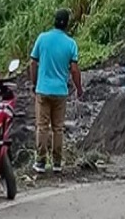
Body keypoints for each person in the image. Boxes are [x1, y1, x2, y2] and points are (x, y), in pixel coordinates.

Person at [30, 9, 83, 174]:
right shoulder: (71, 43)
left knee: (42, 127)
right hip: (60, 91)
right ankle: (57, 163)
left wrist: (34, 83)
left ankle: (40, 162)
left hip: (43, 90)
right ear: (67, 24)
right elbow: (74, 70)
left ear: (54, 21)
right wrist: (78, 88)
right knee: (58, 128)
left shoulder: (42, 38)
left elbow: (32, 63)